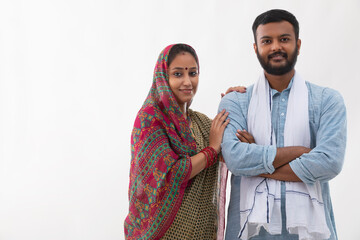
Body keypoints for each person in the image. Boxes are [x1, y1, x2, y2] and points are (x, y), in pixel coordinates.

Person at [219, 9, 346, 240]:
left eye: (284, 39)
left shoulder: (327, 100)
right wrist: (300, 152)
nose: (276, 46)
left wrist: (257, 163)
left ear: (298, 44)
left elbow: (329, 162)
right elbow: (236, 159)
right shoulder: (235, 101)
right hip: (249, 233)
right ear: (256, 48)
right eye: (267, 41)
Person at [124, 44, 246, 239]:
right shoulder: (150, 119)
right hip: (164, 234)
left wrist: (234, 105)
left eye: (193, 73)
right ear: (163, 77)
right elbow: (172, 173)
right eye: (178, 74)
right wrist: (212, 150)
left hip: (202, 233)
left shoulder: (201, 122)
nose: (188, 82)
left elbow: (232, 154)